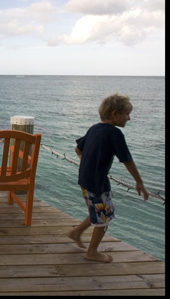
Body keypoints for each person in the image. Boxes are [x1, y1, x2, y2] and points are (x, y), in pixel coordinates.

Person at [67, 93, 149, 263]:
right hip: (97, 182)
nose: (129, 118)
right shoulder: (115, 134)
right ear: (115, 114)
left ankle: (76, 232)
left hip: (84, 179)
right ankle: (92, 252)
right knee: (104, 218)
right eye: (127, 114)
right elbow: (127, 160)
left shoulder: (94, 128)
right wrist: (139, 183)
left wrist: (88, 163)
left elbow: (78, 149)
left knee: (97, 211)